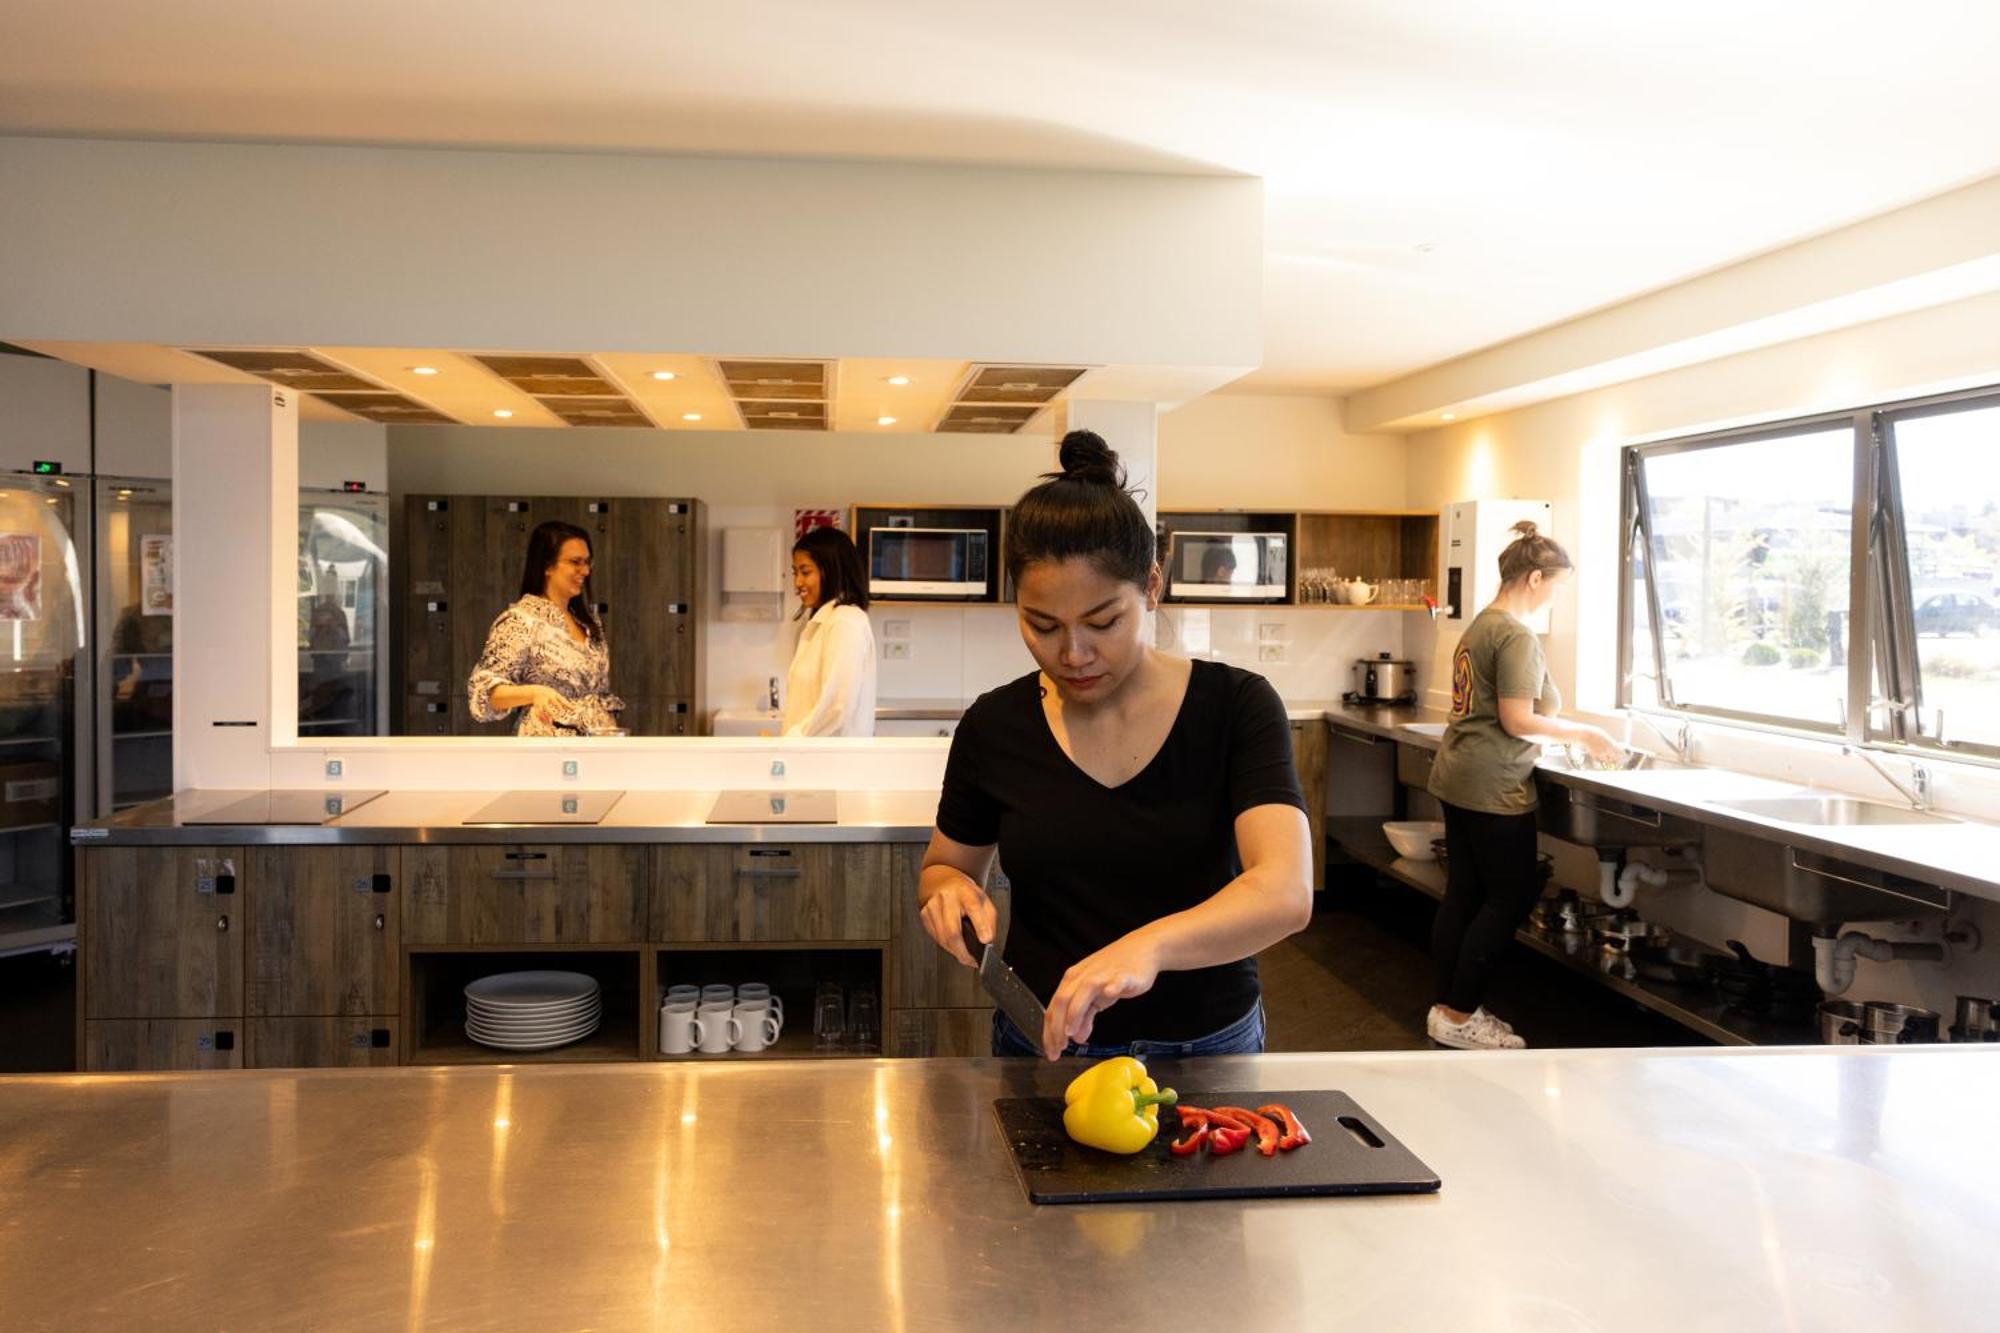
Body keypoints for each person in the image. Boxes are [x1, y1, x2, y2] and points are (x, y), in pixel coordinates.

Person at [915, 429, 1313, 1061]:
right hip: (1041, 1042)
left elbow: (1284, 893)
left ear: (1151, 587)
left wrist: (1146, 947)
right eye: (1042, 626)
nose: (1072, 655)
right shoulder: (994, 726)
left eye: (1103, 623)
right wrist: (948, 893)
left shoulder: (1236, 707)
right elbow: (947, 866)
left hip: (1206, 1047)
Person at [1424, 520, 1621, 1050]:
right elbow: (1516, 718)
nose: (1556, 596)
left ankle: (1447, 1009)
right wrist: (1588, 732)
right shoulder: (1515, 634)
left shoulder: (1481, 625)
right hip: (1494, 783)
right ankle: (1463, 1014)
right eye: (1556, 584)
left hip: (1460, 772)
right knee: (1509, 896)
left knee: (1464, 891)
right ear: (1534, 578)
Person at [468, 520, 624, 736]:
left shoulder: (588, 622)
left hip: (597, 746)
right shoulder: (520, 621)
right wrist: (533, 693)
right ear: (547, 566)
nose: (585, 570)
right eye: (575, 562)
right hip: (547, 748)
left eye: (588, 562)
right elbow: (484, 693)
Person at [781, 526, 877, 737]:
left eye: (805, 572)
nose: (798, 583)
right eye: (795, 573)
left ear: (832, 570)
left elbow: (837, 705)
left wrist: (792, 741)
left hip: (830, 763)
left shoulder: (845, 621)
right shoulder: (826, 621)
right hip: (815, 759)